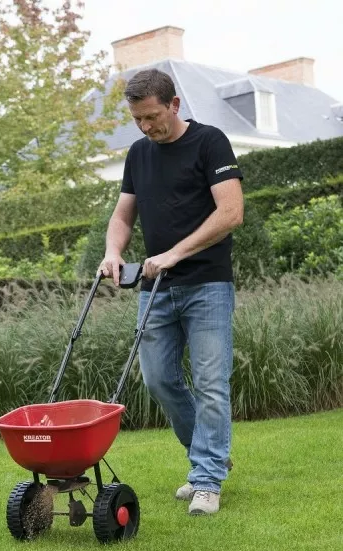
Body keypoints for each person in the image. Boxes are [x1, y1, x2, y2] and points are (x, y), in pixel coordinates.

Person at [99, 68, 244, 516]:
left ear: (174, 105)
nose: (146, 126)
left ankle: (207, 478)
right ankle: (209, 454)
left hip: (207, 285)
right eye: (138, 119)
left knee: (211, 384)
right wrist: (112, 252)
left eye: (152, 116)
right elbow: (123, 215)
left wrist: (175, 254)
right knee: (159, 380)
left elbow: (231, 212)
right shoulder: (139, 154)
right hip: (155, 288)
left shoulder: (209, 142)